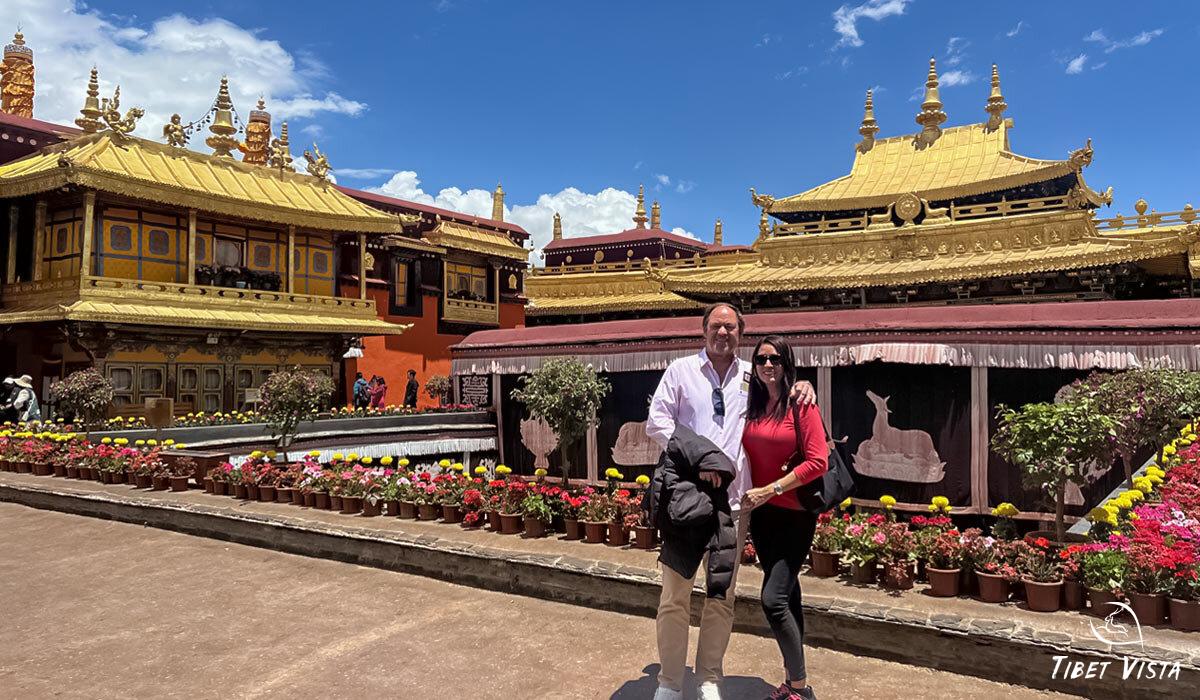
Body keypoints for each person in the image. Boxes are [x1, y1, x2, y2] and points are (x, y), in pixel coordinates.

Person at [645, 303, 814, 700]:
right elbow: (658, 422)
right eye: (716, 327)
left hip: (734, 507)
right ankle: (669, 682)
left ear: (741, 333)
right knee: (674, 596)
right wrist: (704, 457)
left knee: (721, 597)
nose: (723, 333)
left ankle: (708, 679)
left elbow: (783, 397)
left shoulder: (753, 377)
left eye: (731, 328)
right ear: (704, 331)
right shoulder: (681, 371)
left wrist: (802, 384)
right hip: (685, 503)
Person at [740, 336, 828, 700]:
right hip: (763, 518)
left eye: (775, 358)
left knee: (773, 599)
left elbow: (818, 461)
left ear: (786, 363)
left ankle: (800, 688)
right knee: (789, 597)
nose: (768, 365)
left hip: (793, 515)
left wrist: (772, 489)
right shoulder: (754, 405)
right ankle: (794, 681)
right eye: (761, 359)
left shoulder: (800, 404)